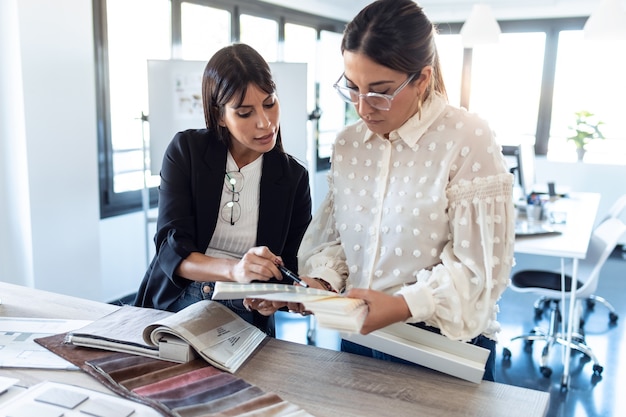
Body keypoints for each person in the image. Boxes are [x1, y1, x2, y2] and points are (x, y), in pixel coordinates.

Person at [255, 0, 515, 381]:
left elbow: (481, 270)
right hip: (361, 340)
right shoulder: (349, 145)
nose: (363, 108)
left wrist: (403, 304)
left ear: (422, 78)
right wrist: (319, 283)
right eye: (352, 87)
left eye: (379, 92)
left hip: (443, 345)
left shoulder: (466, 138)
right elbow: (344, 241)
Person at [134, 43, 312, 337]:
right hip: (176, 301)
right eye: (244, 113)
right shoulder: (187, 151)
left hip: (247, 313)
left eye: (269, 103)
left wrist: (276, 297)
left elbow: (289, 267)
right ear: (219, 116)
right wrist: (235, 270)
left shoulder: (293, 177)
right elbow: (170, 250)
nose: (265, 122)